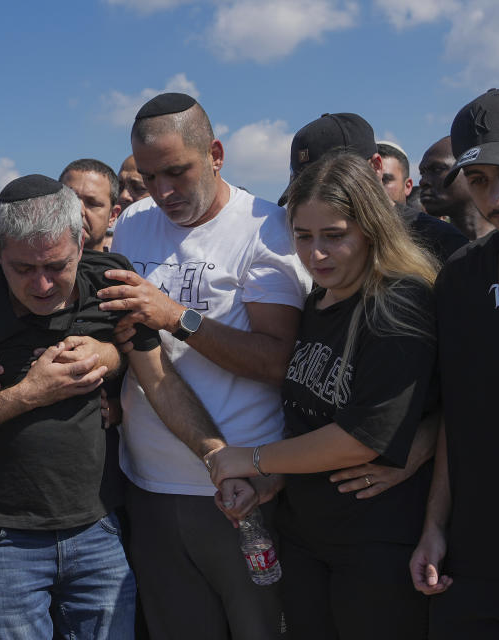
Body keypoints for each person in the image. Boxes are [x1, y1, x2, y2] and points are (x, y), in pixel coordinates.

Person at [0, 174, 231, 639]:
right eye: (22, 269)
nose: (41, 284)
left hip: (97, 529)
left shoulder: (111, 283)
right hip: (1, 539)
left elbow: (158, 379)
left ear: (81, 243)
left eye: (56, 266)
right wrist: (27, 394)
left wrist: (216, 453)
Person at [95, 92, 309, 640]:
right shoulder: (135, 223)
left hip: (242, 492)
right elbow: (126, 338)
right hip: (147, 484)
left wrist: (176, 317)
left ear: (215, 153)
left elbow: (278, 360)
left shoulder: (266, 228)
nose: (163, 192)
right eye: (148, 177)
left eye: (176, 172)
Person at [207, 151, 439, 639]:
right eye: (303, 236)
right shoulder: (318, 301)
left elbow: (364, 437)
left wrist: (251, 459)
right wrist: (275, 481)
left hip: (377, 544)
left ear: (371, 229)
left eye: (334, 236)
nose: (316, 254)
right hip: (308, 536)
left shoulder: (399, 303)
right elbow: (310, 417)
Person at [410, 87, 499, 638]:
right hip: (474, 564)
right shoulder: (460, 276)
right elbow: (459, 411)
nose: (498, 198)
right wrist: (434, 526)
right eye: (480, 181)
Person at [280, 113, 468, 264]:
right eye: (306, 184)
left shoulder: (440, 241)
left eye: (333, 179)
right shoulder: (300, 249)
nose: (318, 253)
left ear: (376, 166)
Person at [419, 136, 494, 240]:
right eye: (422, 173)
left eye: (437, 169)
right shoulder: (425, 250)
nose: (423, 181)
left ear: (471, 170)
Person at [59, 158, 122, 252]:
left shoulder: (125, 265)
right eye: (69, 200)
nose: (79, 210)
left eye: (92, 203)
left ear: (112, 216)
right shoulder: (32, 262)